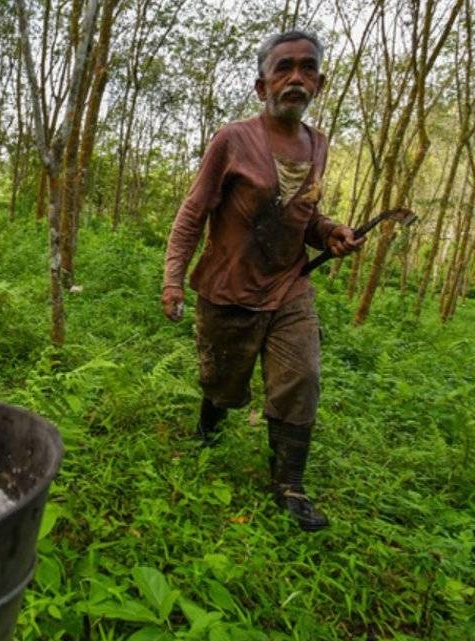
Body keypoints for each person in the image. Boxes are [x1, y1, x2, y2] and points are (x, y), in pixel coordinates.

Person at [160, 30, 363, 532]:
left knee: (302, 377)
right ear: (261, 84)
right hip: (229, 288)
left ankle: (289, 485)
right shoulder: (233, 140)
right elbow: (194, 212)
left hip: (289, 285)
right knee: (223, 383)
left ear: (320, 80)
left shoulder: (318, 145)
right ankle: (210, 426)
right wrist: (173, 280)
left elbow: (303, 216)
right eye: (284, 68)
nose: (296, 77)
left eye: (307, 67)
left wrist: (330, 232)